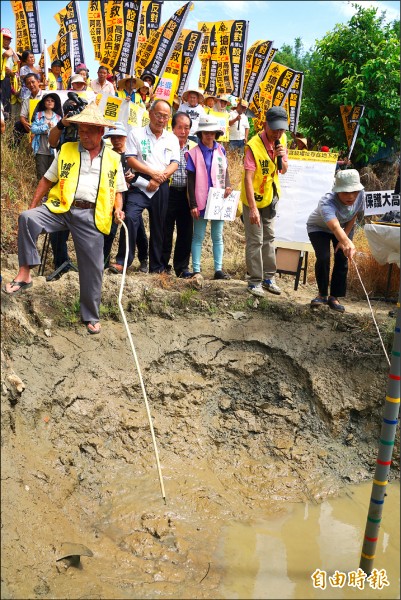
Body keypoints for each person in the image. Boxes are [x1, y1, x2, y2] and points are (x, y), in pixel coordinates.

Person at [2, 102, 127, 335]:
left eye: (89, 131)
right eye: (80, 129)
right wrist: (32, 206)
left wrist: (118, 209)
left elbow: (118, 190)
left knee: (93, 268)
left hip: (92, 215)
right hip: (61, 208)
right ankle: (25, 273)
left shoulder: (113, 158)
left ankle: (90, 315)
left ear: (101, 132)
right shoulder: (67, 150)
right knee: (27, 218)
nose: (83, 135)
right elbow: (46, 180)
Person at [109, 99, 180, 274]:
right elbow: (130, 159)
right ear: (150, 114)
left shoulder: (172, 138)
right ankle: (123, 261)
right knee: (131, 217)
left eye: (165, 116)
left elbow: (174, 163)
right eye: (158, 115)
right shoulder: (136, 133)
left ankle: (156, 266)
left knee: (159, 225)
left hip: (162, 184)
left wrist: (159, 177)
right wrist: (152, 174)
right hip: (139, 182)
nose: (161, 119)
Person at [241, 106, 288, 297]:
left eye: (281, 129)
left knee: (269, 238)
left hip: (270, 197)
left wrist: (280, 157)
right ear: (265, 124)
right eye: (275, 129)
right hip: (253, 199)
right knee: (255, 240)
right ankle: (254, 281)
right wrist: (252, 209)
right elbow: (248, 179)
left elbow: (283, 169)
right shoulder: (253, 145)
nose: (278, 133)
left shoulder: (282, 140)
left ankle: (269, 278)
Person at [307, 169, 365, 313]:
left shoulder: (361, 194)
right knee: (324, 257)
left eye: (354, 191)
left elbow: (354, 214)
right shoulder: (327, 202)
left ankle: (334, 297)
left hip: (344, 227)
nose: (351, 196)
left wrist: (344, 239)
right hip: (319, 228)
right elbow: (334, 226)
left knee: (342, 257)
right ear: (337, 191)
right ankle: (322, 294)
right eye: (345, 192)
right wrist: (346, 241)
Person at [186, 116, 232, 280]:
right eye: (206, 132)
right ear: (200, 134)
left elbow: (225, 171)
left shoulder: (221, 150)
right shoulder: (193, 153)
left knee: (217, 236)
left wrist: (228, 185)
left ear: (216, 134)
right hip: (200, 199)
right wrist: (192, 204)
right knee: (198, 235)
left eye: (212, 133)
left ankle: (218, 269)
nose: (209, 135)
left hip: (218, 199)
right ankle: (197, 270)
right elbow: (190, 181)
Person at [102, 122, 149, 272]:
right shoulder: (107, 155)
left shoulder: (132, 154)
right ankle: (104, 259)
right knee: (110, 227)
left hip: (133, 195)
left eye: (119, 137)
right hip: (114, 195)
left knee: (137, 227)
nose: (116, 140)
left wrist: (133, 178)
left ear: (126, 137)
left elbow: (143, 172)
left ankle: (143, 259)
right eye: (113, 137)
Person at [162, 112, 196, 278]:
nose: (183, 131)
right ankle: (162, 265)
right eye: (180, 127)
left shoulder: (194, 147)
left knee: (186, 231)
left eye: (187, 128)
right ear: (173, 128)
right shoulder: (166, 143)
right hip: (169, 191)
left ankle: (182, 267)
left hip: (187, 194)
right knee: (165, 229)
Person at [30, 92, 62, 180]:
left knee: (52, 177)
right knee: (41, 175)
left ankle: (50, 193)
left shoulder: (59, 118)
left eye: (52, 101)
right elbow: (33, 129)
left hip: (54, 150)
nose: (50, 102)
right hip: (41, 150)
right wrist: (46, 127)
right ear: (44, 102)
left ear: (55, 103)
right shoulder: (39, 115)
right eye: (47, 100)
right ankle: (42, 194)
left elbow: (61, 133)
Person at [12, 72, 44, 146]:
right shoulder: (27, 100)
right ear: (26, 86)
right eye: (28, 83)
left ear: (38, 82)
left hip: (46, 122)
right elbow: (22, 116)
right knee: (18, 125)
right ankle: (13, 148)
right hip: (32, 124)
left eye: (33, 82)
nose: (31, 85)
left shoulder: (46, 96)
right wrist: (24, 123)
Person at [0, 28, 19, 118]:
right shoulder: (6, 50)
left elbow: (14, 67)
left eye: (9, 39)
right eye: (5, 38)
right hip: (1, 79)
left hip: (7, 80)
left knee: (6, 103)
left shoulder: (11, 52)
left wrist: (11, 72)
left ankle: (6, 128)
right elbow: (6, 54)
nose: (7, 41)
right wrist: (11, 50)